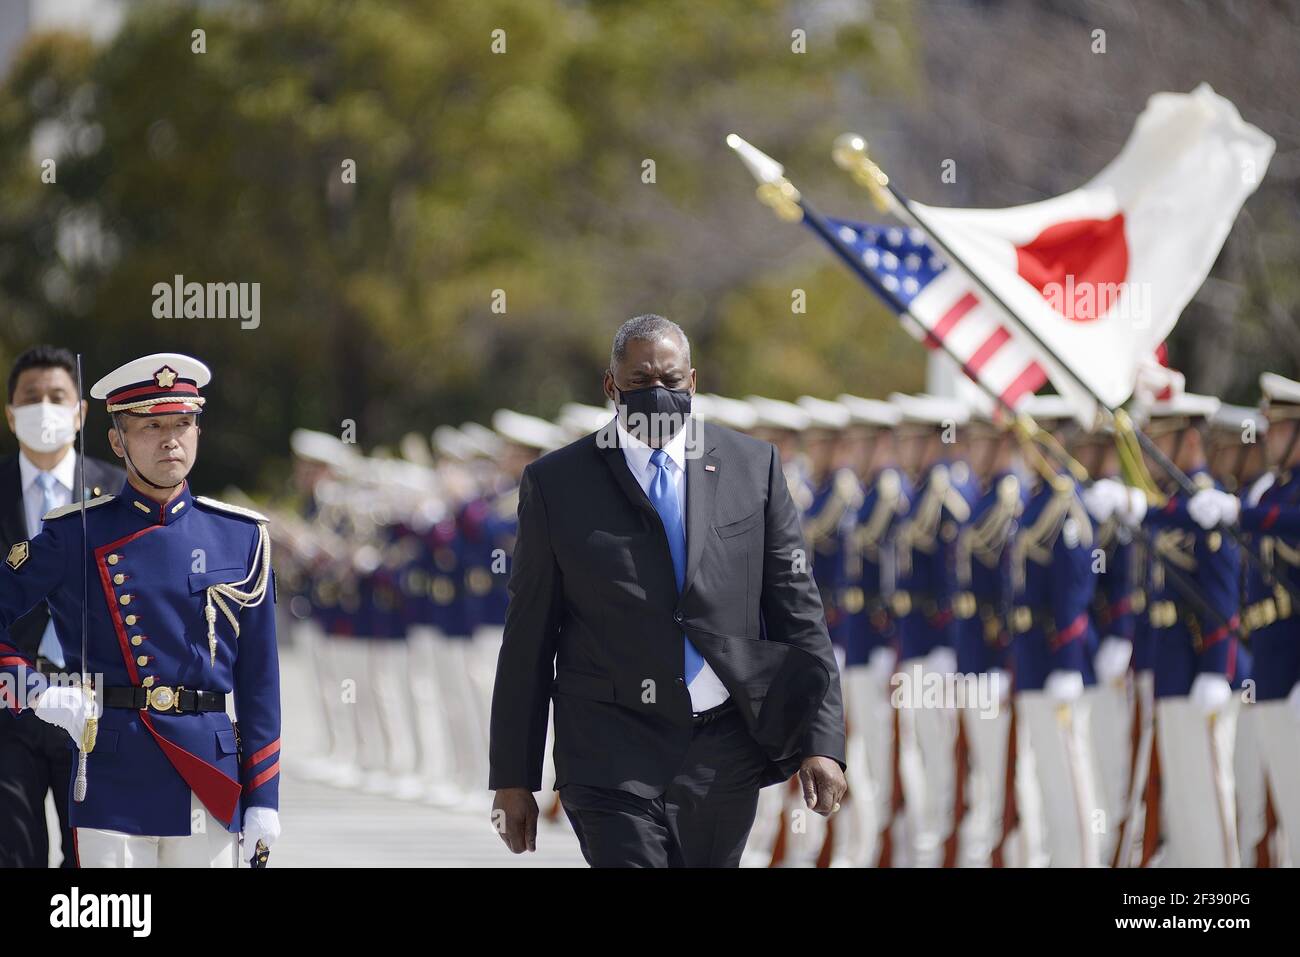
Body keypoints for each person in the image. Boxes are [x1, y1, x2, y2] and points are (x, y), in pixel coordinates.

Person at [488, 314, 847, 867]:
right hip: (610, 749)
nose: (657, 394)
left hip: (722, 750)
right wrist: (514, 776)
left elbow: (798, 612)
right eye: (639, 383)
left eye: (671, 382)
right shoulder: (558, 483)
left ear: (693, 382)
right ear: (611, 386)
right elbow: (529, 636)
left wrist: (821, 742)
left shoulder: (753, 468)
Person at [0, 353, 281, 867]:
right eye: (151, 425)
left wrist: (263, 795)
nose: (170, 438)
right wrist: (35, 691)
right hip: (112, 772)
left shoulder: (241, 537)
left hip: (208, 775)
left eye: (182, 423)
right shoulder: (76, 532)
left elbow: (259, 679)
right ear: (116, 440)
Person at [0, 345, 123, 867]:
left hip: (93, 705)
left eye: (57, 396)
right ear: (10, 414)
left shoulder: (119, 491)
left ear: (81, 412)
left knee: (91, 861)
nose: (44, 408)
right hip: (8, 702)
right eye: (31, 398)